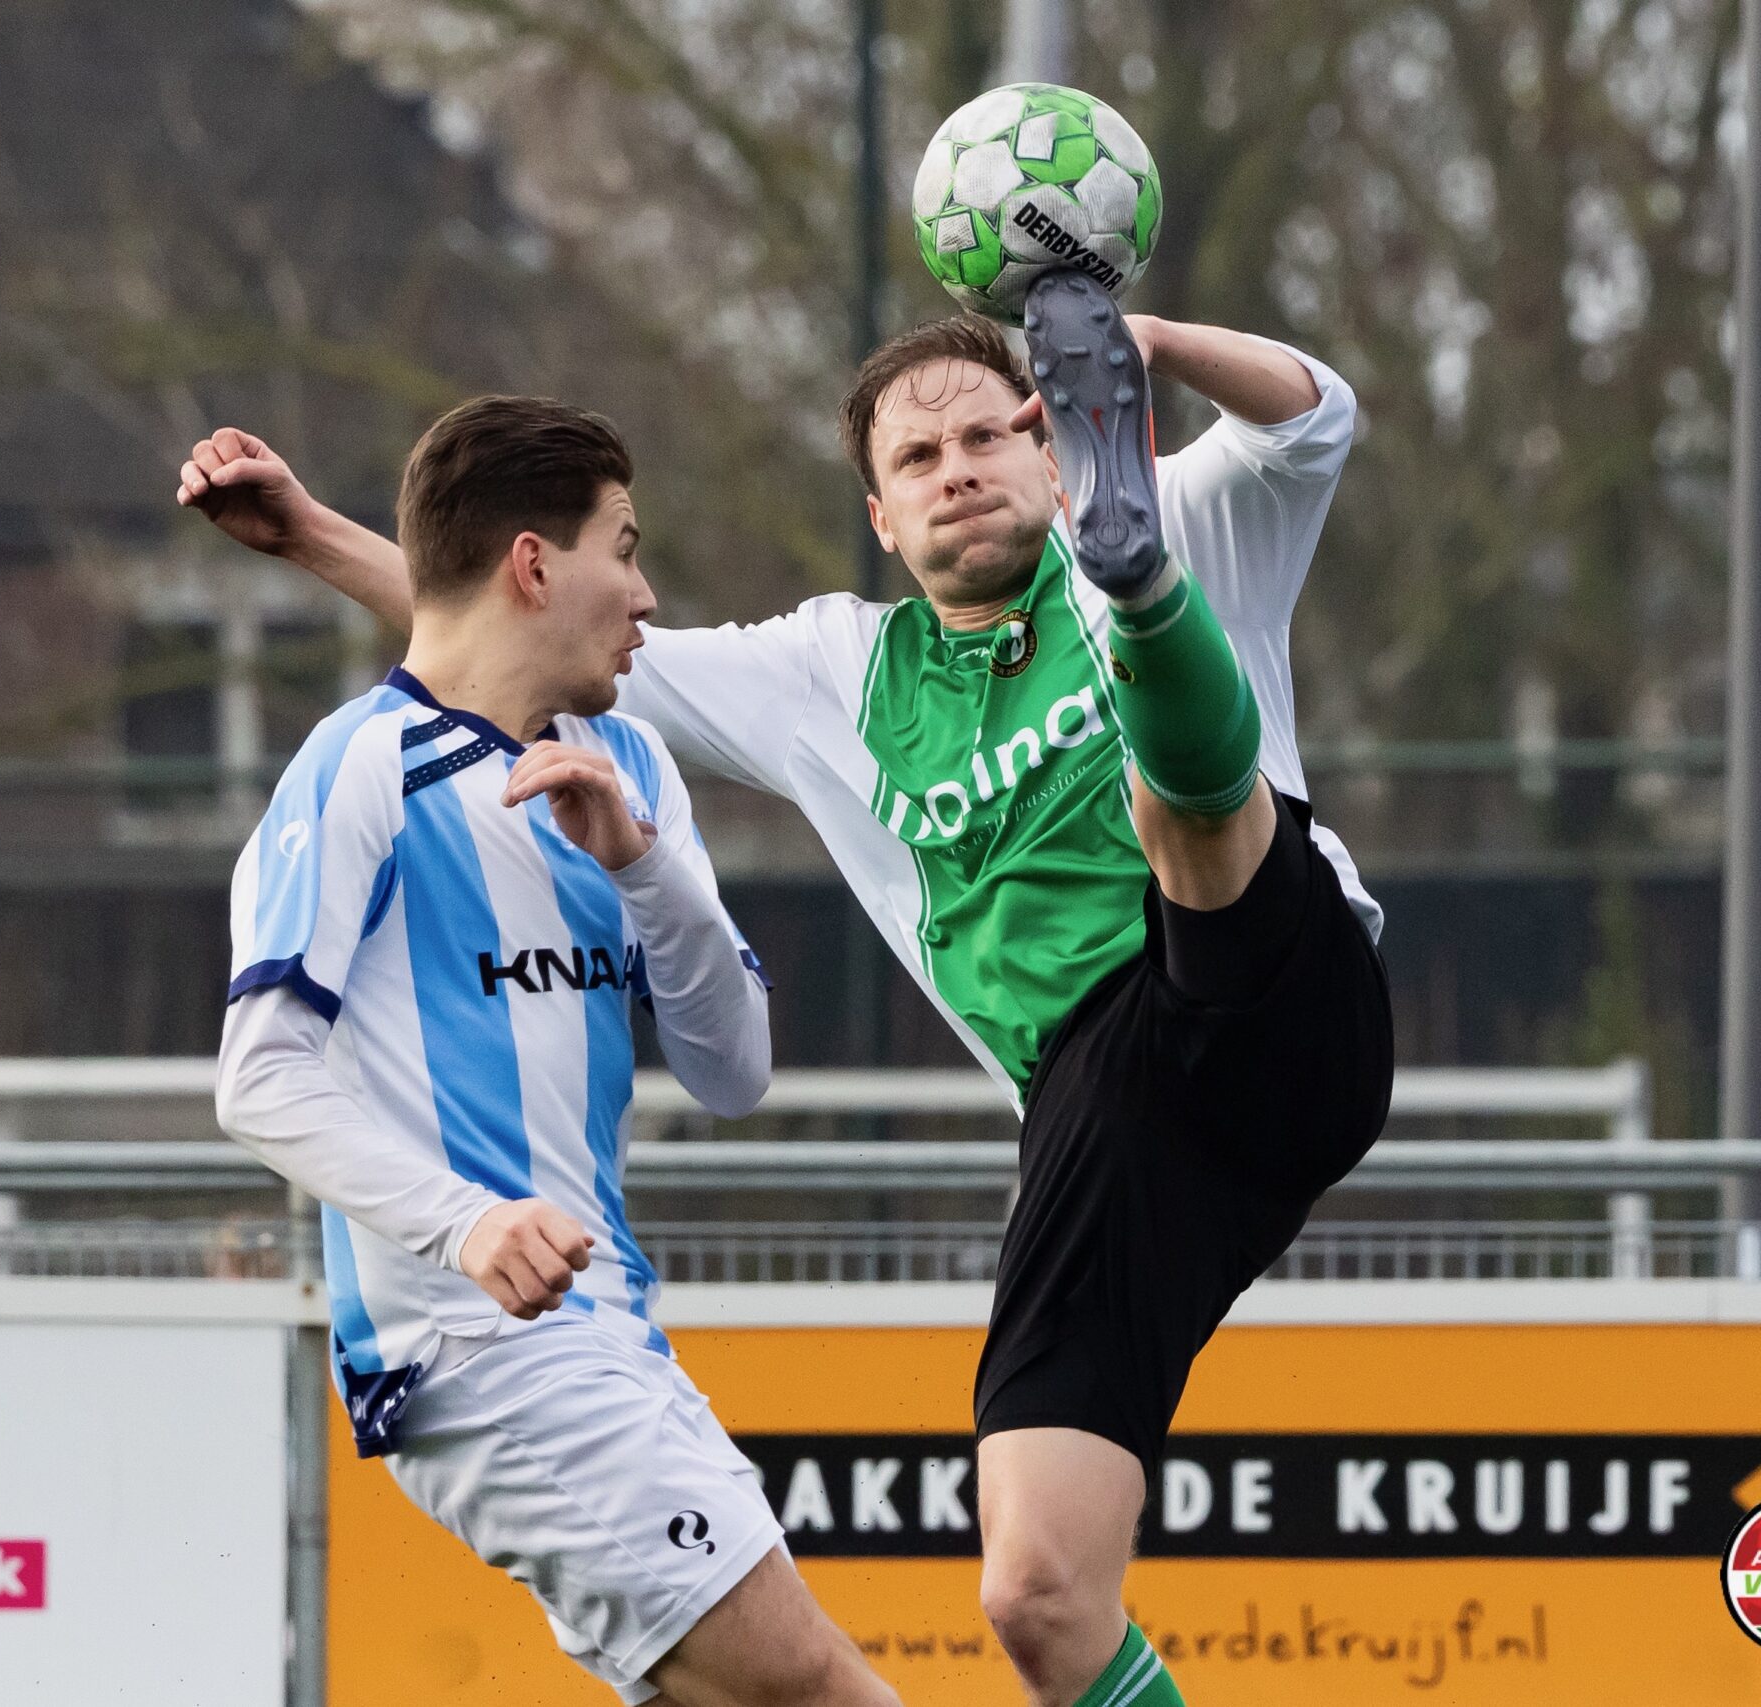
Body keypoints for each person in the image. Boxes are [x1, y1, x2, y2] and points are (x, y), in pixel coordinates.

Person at [184, 284, 1392, 1707]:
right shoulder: (835, 665)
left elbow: (1318, 416)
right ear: (883, 521)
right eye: (916, 464)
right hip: (1104, 1104)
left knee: (1187, 816)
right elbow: (527, 631)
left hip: (1276, 981)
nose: (957, 473)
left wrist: (1161, 349)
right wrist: (317, 535)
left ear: (1055, 448)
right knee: (1037, 1593)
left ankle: (1141, 610)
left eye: (989, 438)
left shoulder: (1178, 503)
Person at [210, 396, 900, 1707]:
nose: (645, 595)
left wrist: (644, 867)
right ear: (534, 563)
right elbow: (260, 1077)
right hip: (476, 1348)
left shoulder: (629, 759)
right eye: (625, 549)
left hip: (611, 1333)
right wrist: (466, 1223)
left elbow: (735, 1069)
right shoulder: (360, 768)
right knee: (817, 1686)